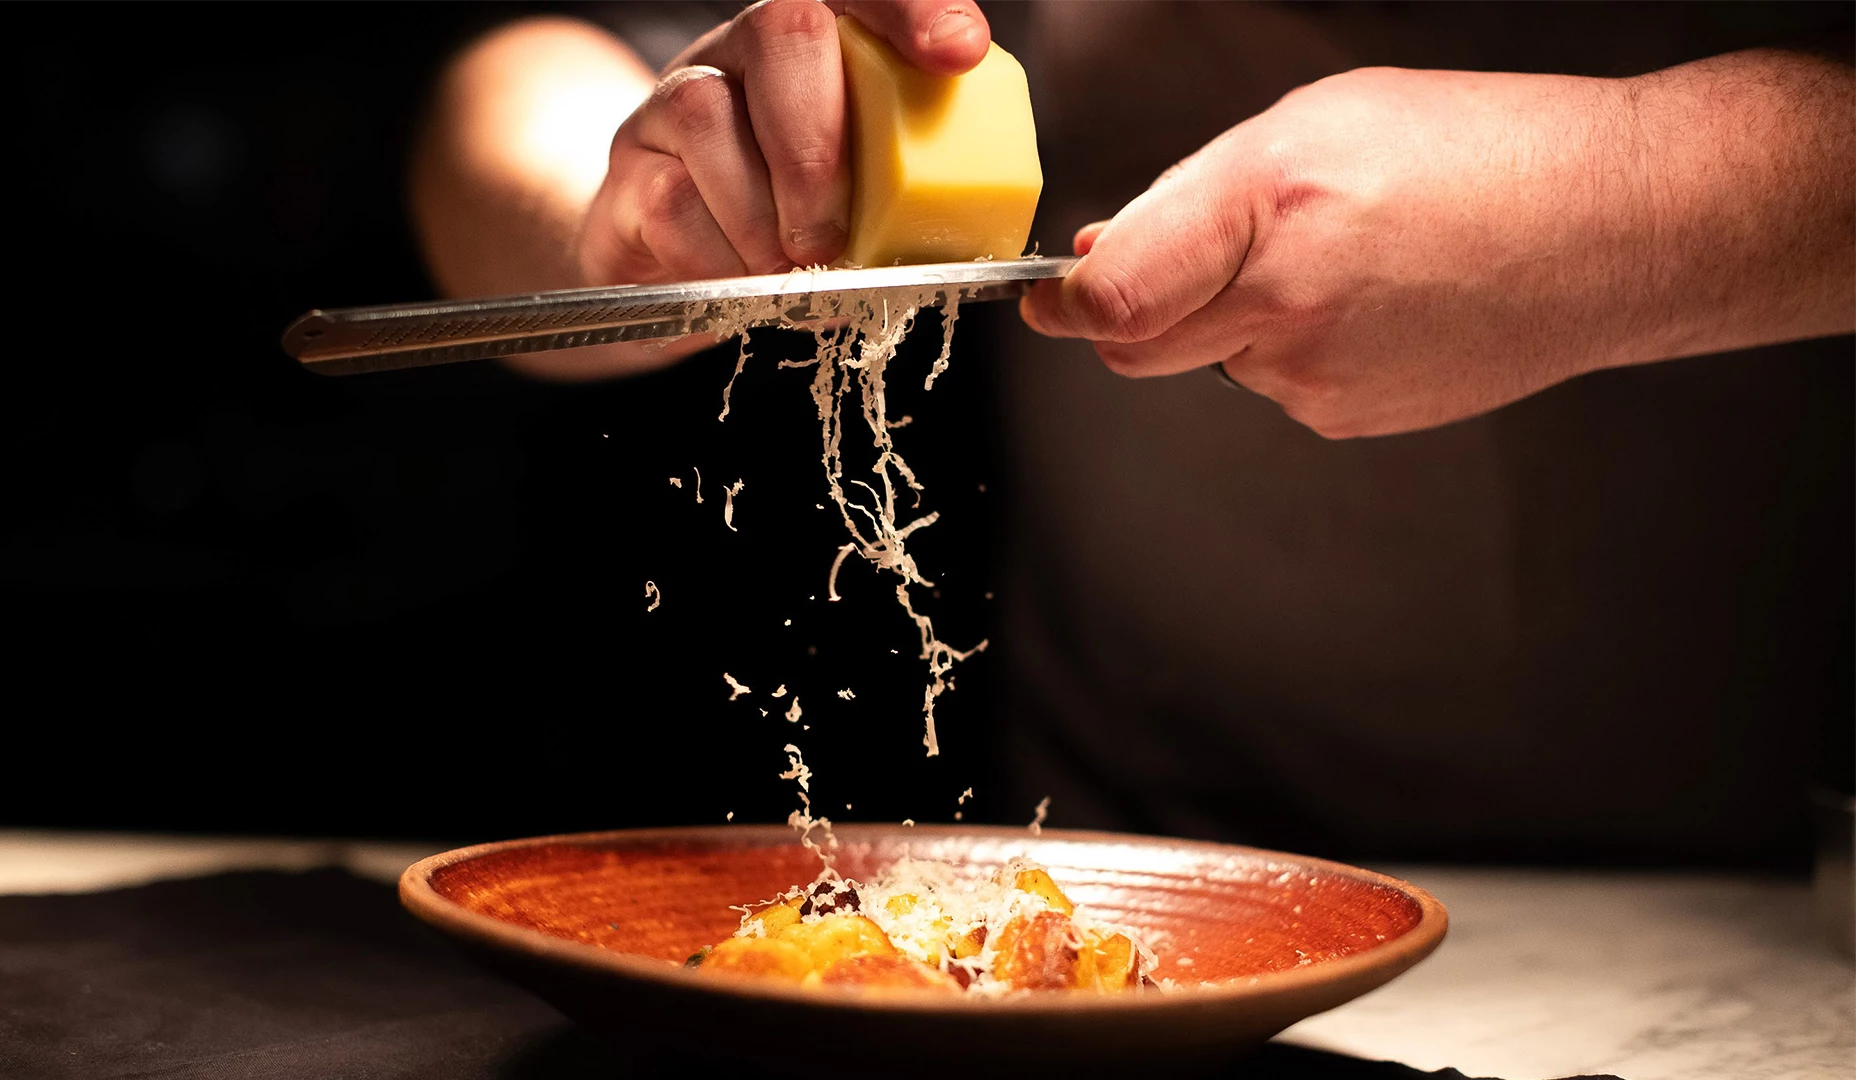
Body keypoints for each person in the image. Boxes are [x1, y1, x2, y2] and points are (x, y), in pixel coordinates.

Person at [411, 1, 1853, 866]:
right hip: (1133, 853)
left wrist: (1644, 202)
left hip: (1790, 887)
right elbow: (517, 79)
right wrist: (618, 209)